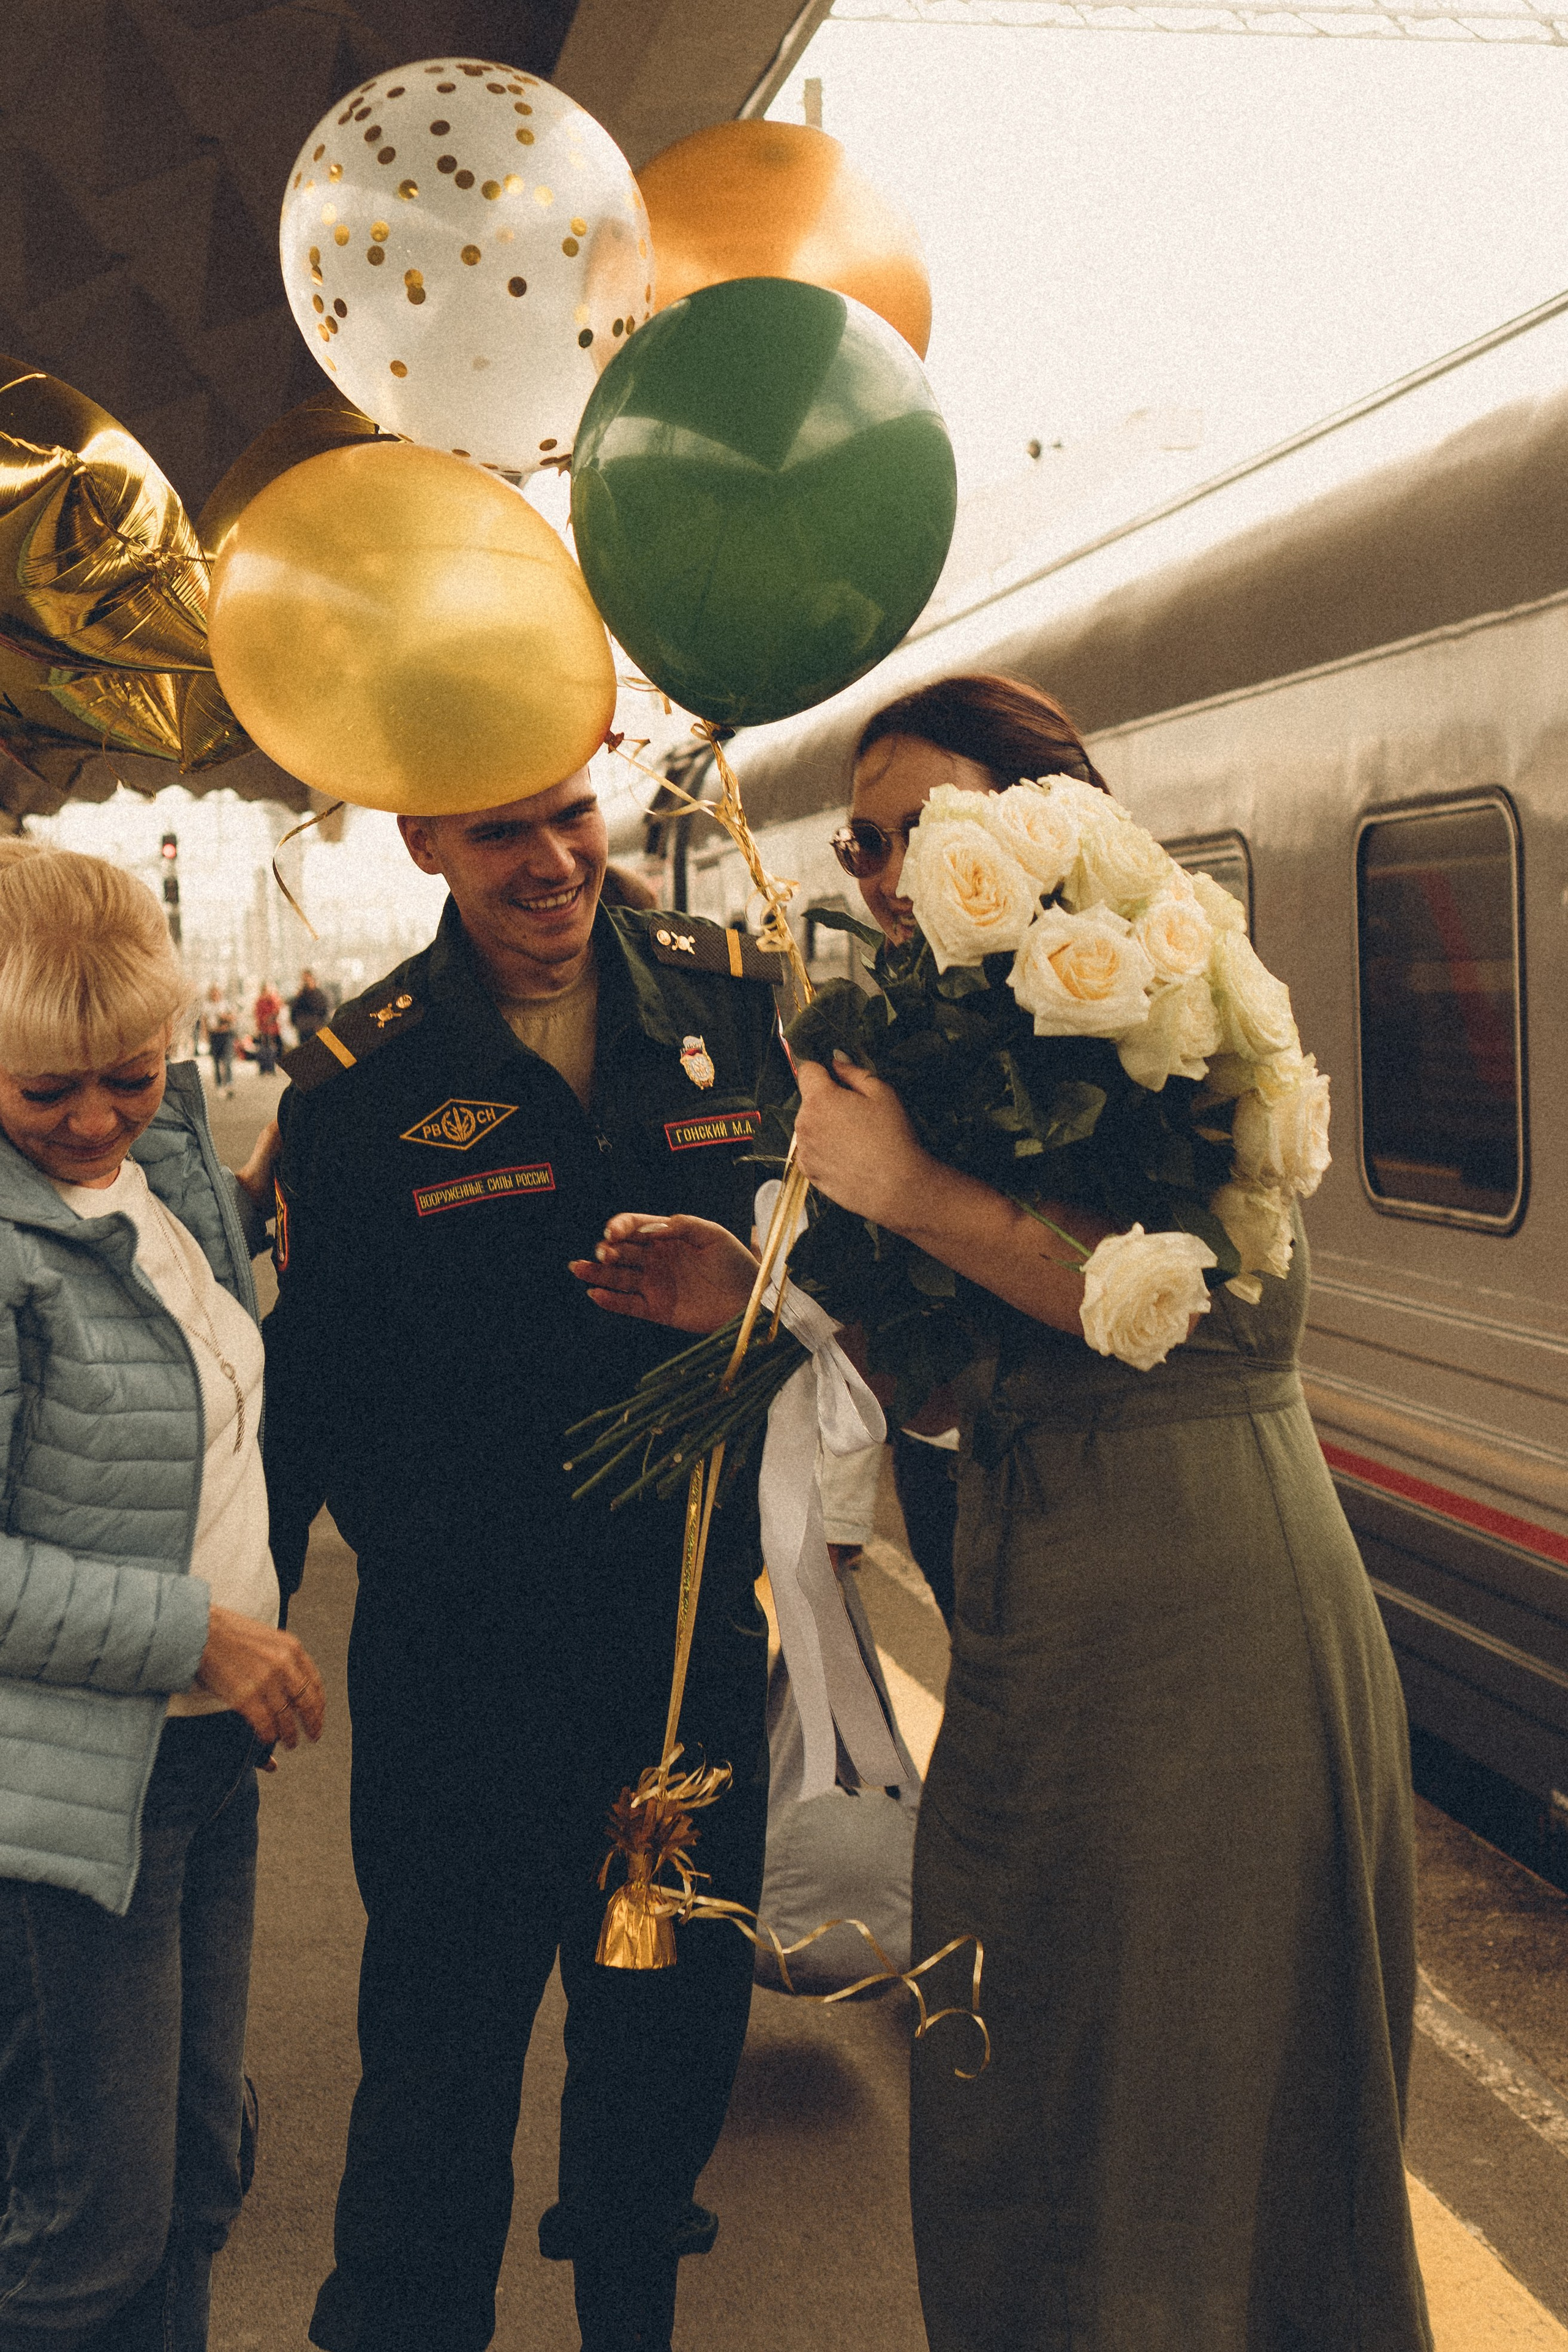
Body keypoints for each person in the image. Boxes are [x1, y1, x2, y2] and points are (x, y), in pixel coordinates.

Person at [583, 675, 1433, 2352]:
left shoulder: (1169, 985)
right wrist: (768, 1308)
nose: (885, 870)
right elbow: (957, 1385)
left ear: (1041, 809)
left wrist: (904, 1191)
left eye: (916, 828)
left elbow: (1193, 1304)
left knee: (1179, 2088)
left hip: (1201, 1616)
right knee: (1027, 2068)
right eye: (863, 843)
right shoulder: (949, 1040)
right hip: (1043, 1617)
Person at [261, 766, 794, 2352]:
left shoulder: (731, 1006)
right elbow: (313, 1393)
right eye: (502, 830)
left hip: (679, 1668)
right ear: (423, 841)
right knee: (434, 2084)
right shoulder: (363, 1077)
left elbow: (838, 1269)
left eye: (572, 814)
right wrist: (242, 1629)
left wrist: (765, 1309)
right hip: (460, 1681)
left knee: (663, 2060)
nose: (556, 860)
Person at [0, 842, 325, 2351]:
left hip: (197, 1766)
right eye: (42, 1091)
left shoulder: (167, 1165)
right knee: (86, 2229)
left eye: (127, 1077)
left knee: (195, 2184)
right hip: (63, 1804)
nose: (92, 1121)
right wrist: (202, 1634)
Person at [202, 981, 236, 1096]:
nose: (215, 994)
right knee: (216, 1061)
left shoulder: (225, 1004)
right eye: (213, 992)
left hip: (226, 1034)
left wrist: (224, 1017)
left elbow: (233, 1018)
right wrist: (205, 1035)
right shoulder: (207, 1005)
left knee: (227, 1060)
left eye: (217, 992)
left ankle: (229, 1084)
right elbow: (204, 1021)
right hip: (214, 1034)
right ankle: (220, 1085)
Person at [288, 968, 330, 1048]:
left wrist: (320, 1024)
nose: (306, 982)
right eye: (304, 980)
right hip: (304, 1030)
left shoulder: (319, 995)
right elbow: (294, 1010)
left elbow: (324, 1011)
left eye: (307, 979)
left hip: (316, 1028)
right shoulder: (300, 996)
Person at [252, 982, 283, 1076]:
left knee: (273, 1049)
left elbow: (277, 1011)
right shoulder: (259, 1002)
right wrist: (263, 1021)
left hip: (273, 1029)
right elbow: (258, 1015)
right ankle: (263, 1068)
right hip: (263, 1029)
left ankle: (271, 1068)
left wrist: (270, 1018)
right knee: (263, 1049)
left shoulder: (273, 1000)